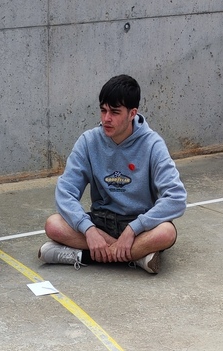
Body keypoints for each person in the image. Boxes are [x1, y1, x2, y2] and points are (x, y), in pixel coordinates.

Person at [39, 74, 186, 275]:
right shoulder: (88, 141)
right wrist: (89, 230)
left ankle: (83, 255)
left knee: (166, 232)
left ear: (132, 113)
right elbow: (65, 192)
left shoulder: (153, 144)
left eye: (115, 112)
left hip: (139, 224)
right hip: (101, 222)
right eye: (103, 110)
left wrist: (133, 229)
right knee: (53, 224)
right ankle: (137, 256)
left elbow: (176, 198)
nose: (106, 118)